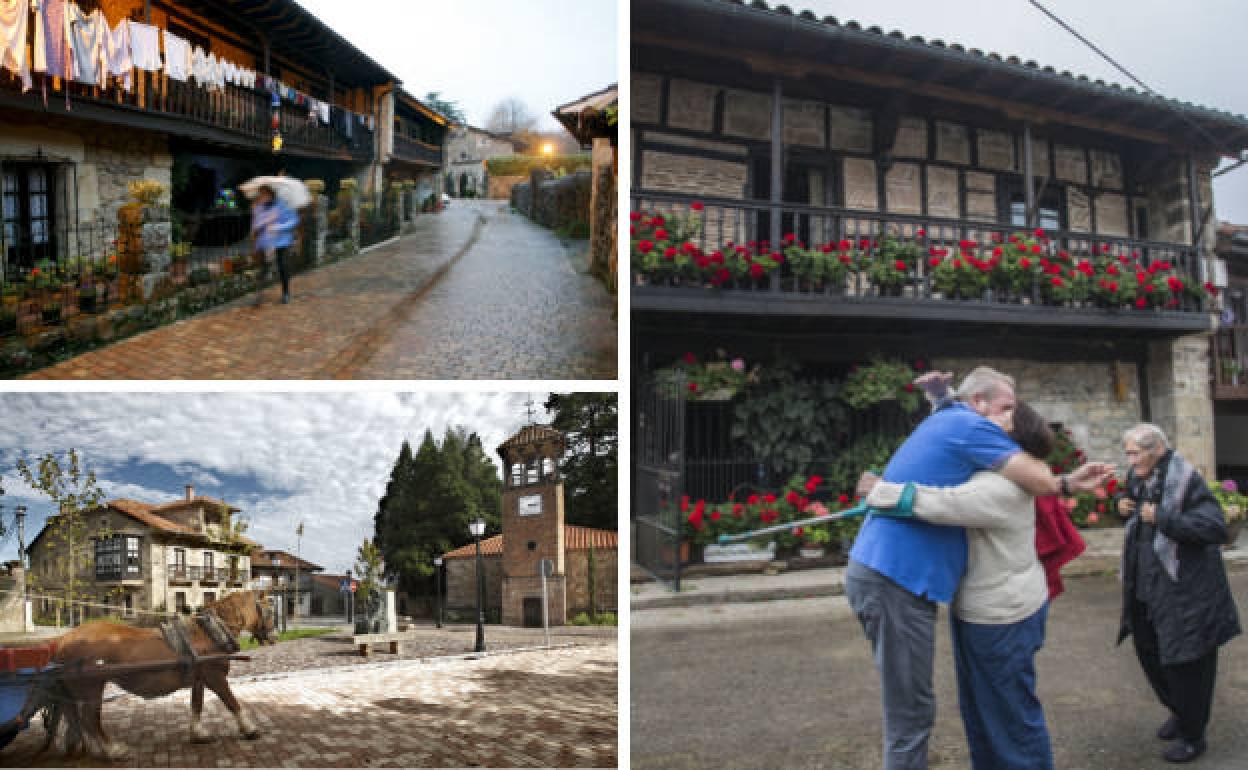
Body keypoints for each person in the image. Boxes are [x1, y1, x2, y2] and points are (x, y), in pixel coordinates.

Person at [844, 366, 1112, 770]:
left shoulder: (999, 486)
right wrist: (940, 397)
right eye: (1003, 407)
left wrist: (880, 490)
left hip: (1001, 613)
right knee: (987, 710)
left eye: (1009, 413)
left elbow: (942, 503)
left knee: (1007, 713)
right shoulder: (978, 449)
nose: (997, 419)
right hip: (989, 608)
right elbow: (956, 426)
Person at [1114, 423, 1240, 763]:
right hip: (1145, 589)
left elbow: (1215, 527)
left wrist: (1165, 518)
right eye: (1127, 452)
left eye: (1134, 452)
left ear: (1156, 449)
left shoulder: (1186, 480)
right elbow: (1133, 511)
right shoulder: (1139, 476)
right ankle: (1180, 711)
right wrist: (1121, 505)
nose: (1129, 459)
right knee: (1149, 653)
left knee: (1187, 665)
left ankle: (1193, 735)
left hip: (1187, 594)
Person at [249, 184, 299, 304]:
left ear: (271, 194)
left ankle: (285, 293)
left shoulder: (283, 204)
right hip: (266, 241)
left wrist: (279, 226)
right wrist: (262, 222)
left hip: (281, 241)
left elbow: (294, 220)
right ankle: (259, 295)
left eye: (264, 194)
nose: (262, 196)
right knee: (263, 268)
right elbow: (256, 224)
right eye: (260, 194)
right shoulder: (258, 206)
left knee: (282, 266)